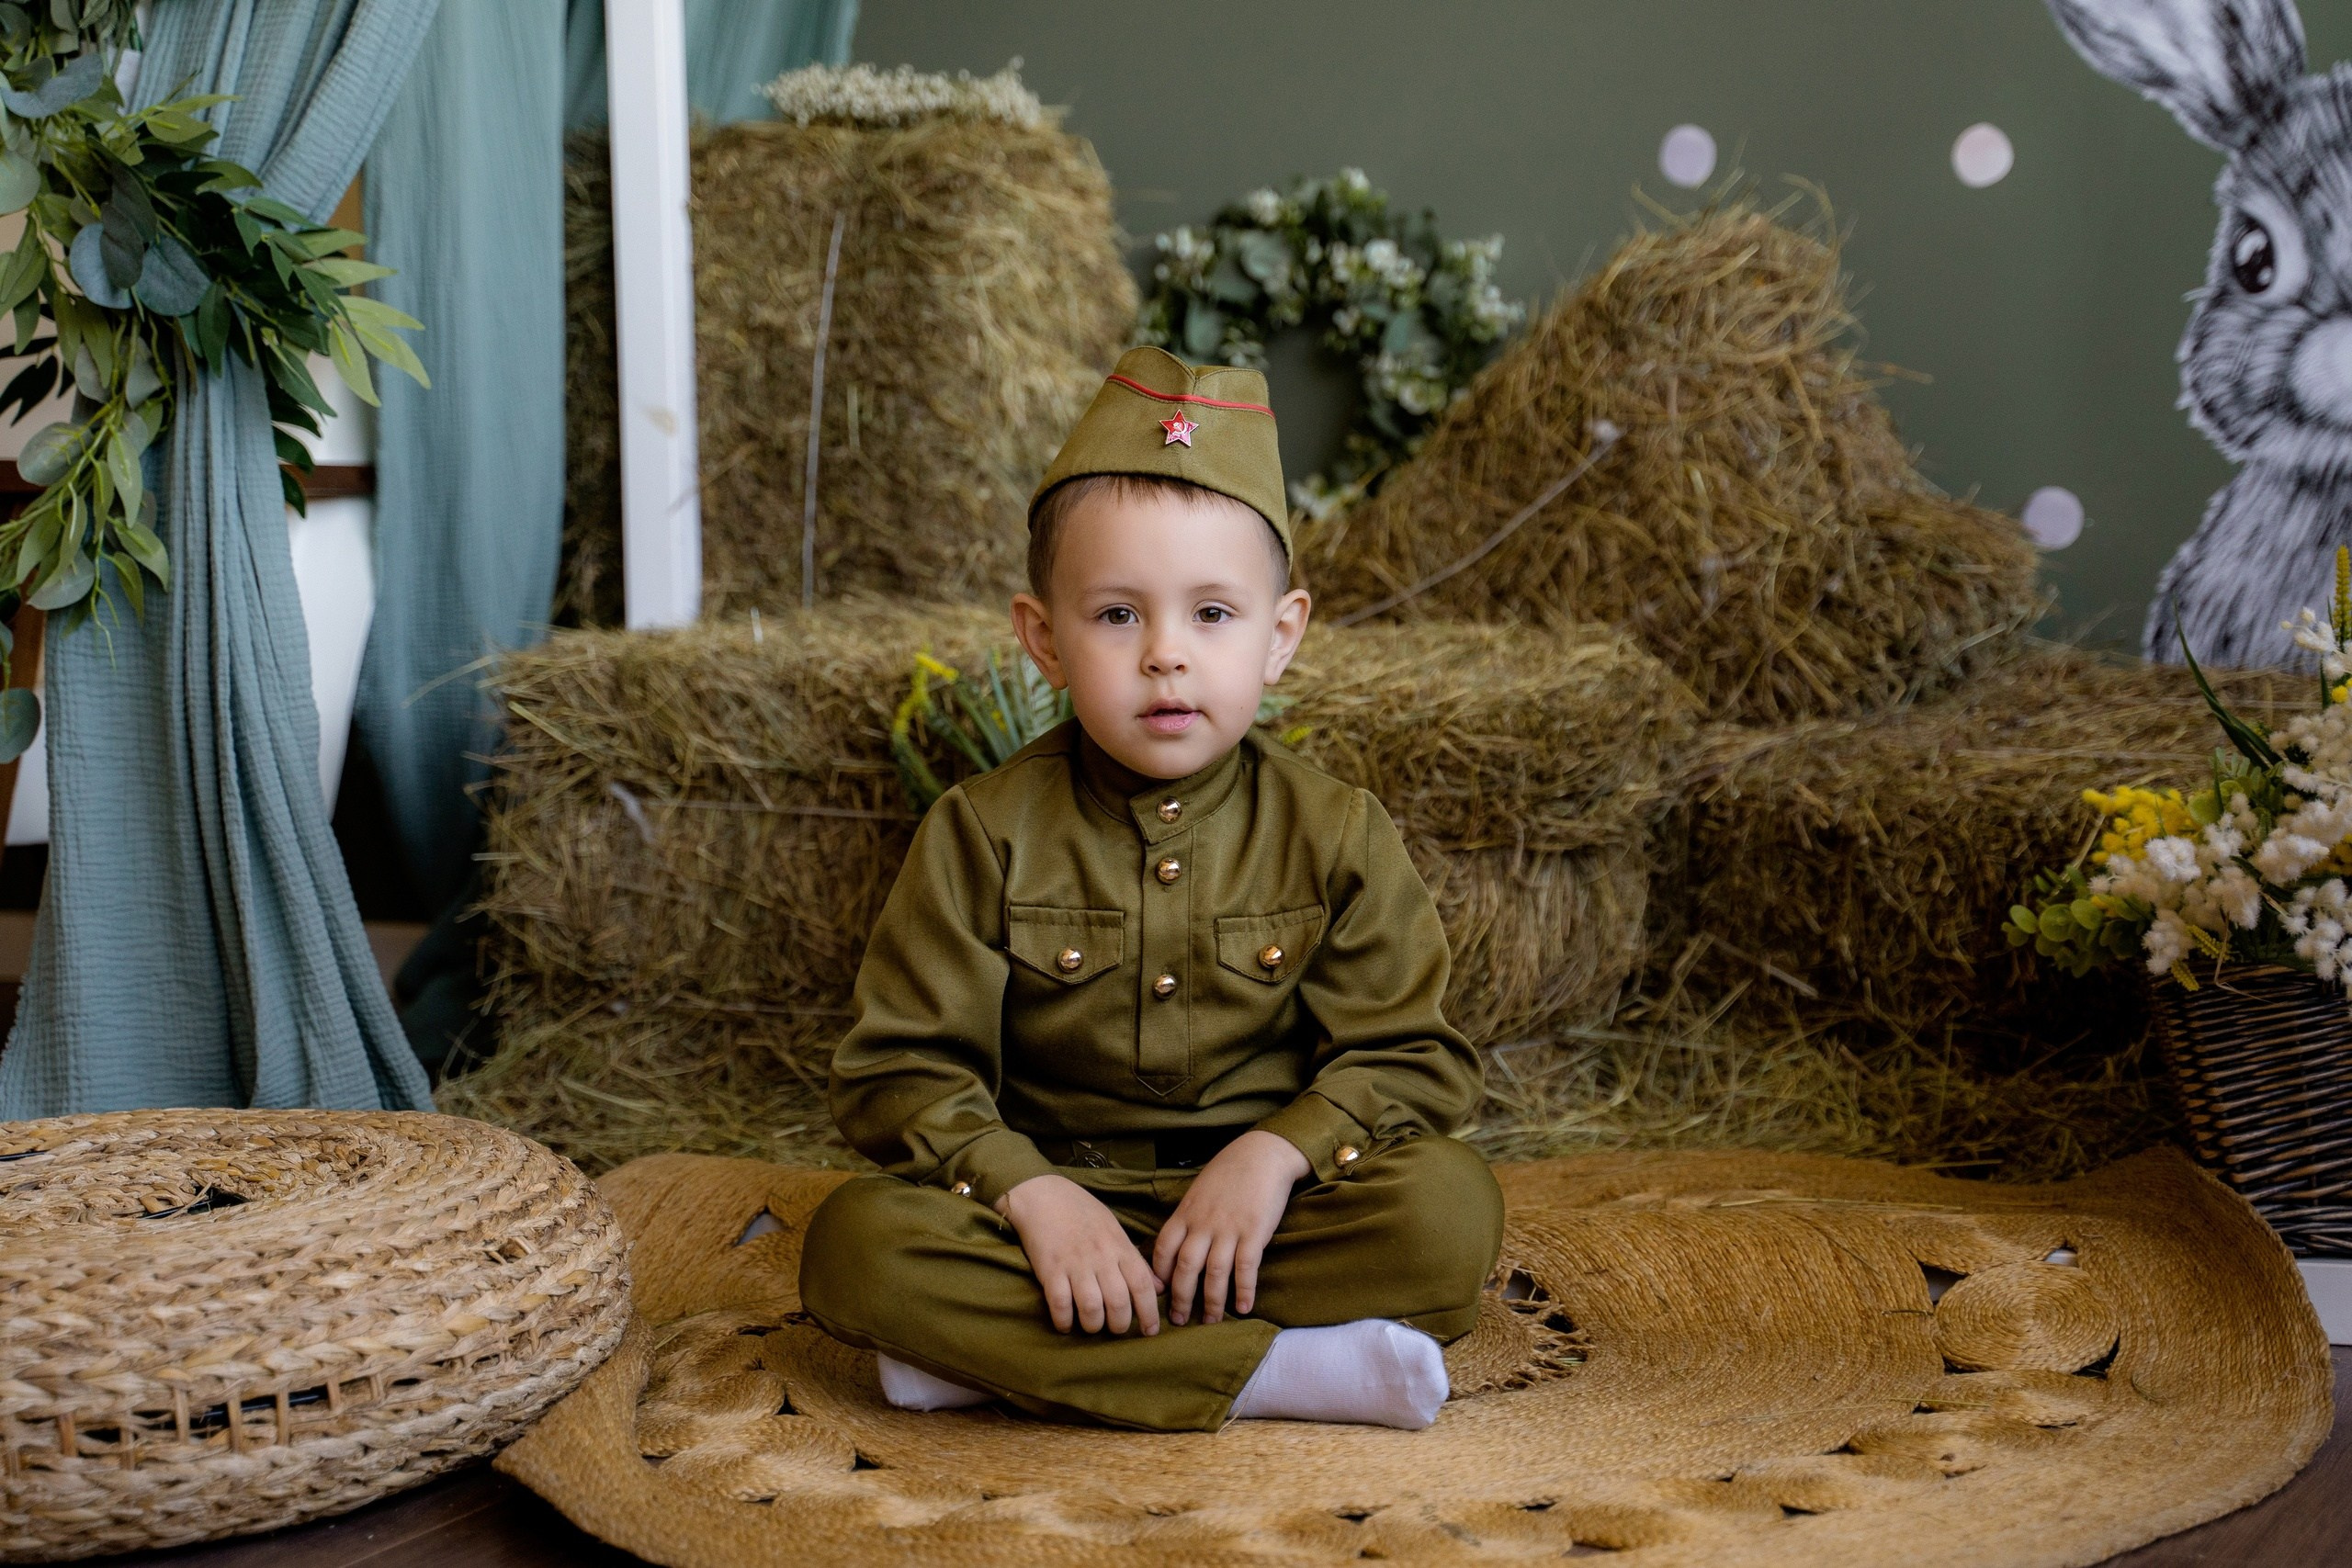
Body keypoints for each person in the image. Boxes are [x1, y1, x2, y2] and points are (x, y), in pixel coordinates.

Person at [797, 345, 1504, 1433]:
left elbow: (1413, 1058)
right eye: (1119, 615)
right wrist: (1029, 1196)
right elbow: (895, 1072)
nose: (1166, 656)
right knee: (857, 1249)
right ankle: (1282, 1377)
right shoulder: (981, 831)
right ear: (1045, 638)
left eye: (1212, 616)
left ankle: (1002, 1361)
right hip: (1047, 1213)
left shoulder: (1335, 831)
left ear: (1280, 637)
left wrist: (1275, 1158)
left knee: (1449, 1215)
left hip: (1266, 1219)